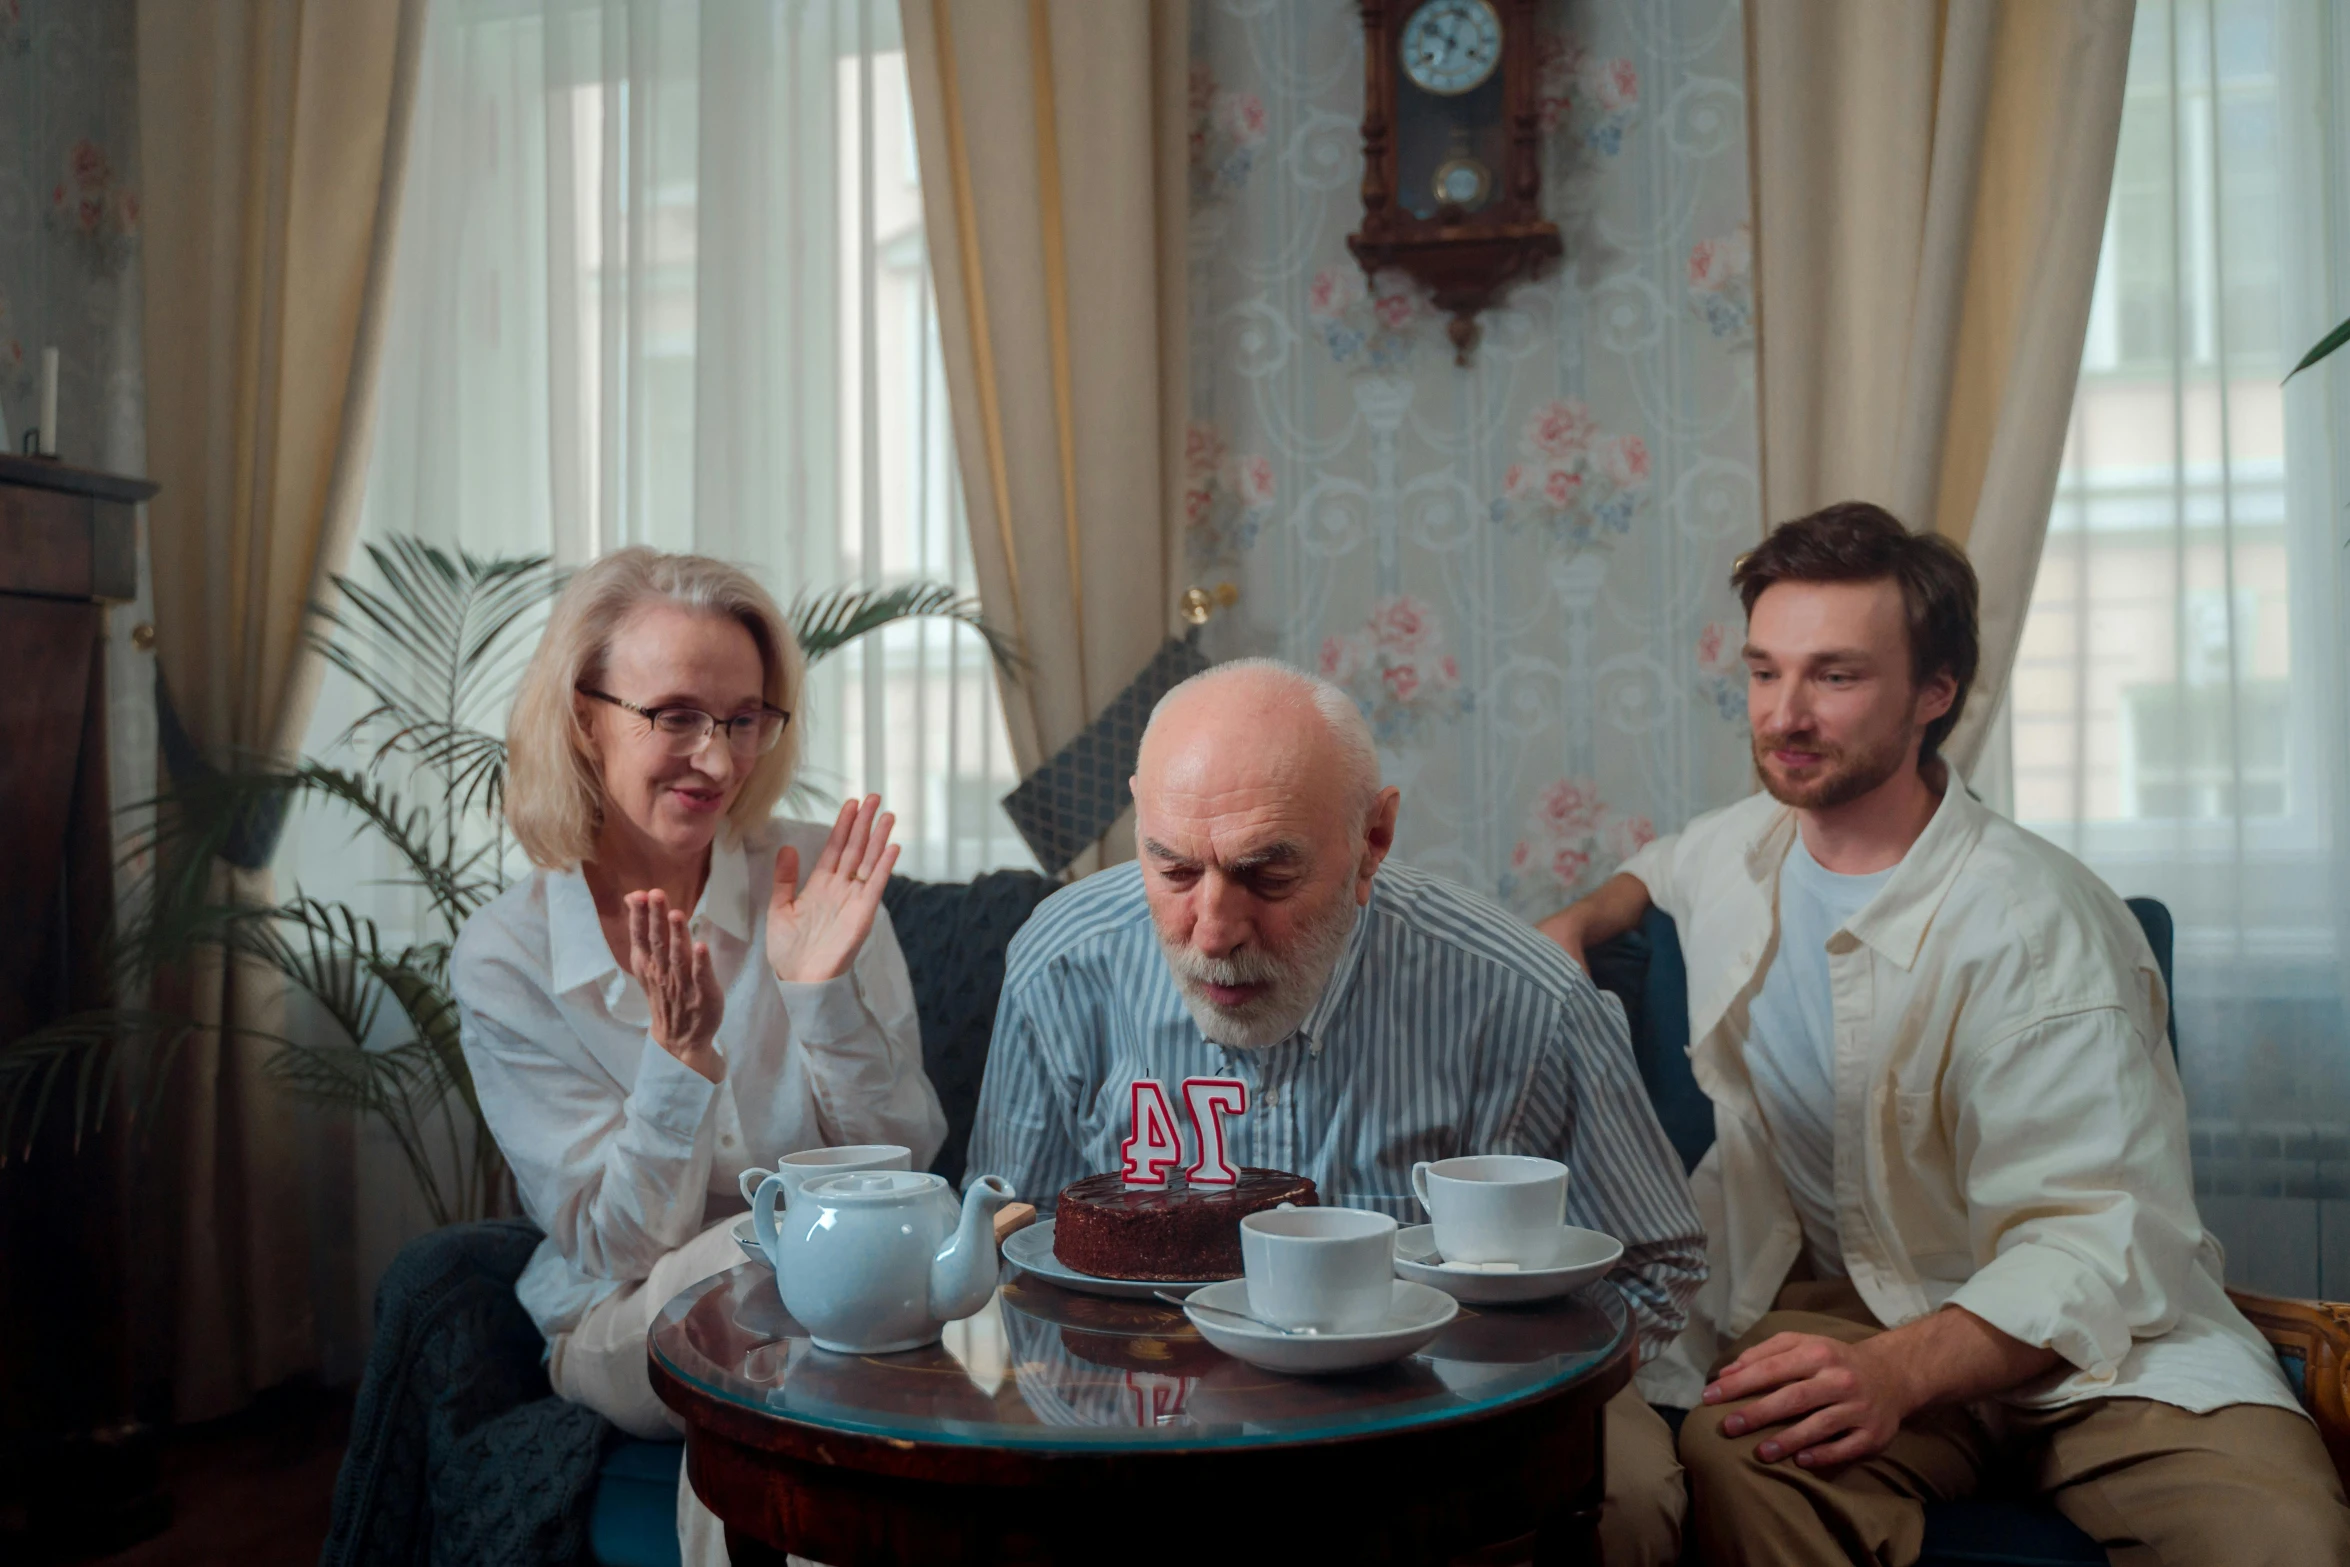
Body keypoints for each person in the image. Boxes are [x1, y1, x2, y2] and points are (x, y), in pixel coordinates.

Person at [1536, 502, 2350, 1565]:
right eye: (1763, 671)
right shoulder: (1742, 850)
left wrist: (1901, 1374)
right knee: (1743, 1449)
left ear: (1934, 692)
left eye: (1834, 676)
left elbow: (2100, 1236)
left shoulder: (2041, 923)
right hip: (1859, 1306)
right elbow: (1662, 865)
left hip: (2100, 1342)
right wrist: (1577, 921)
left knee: (2275, 1542)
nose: (1782, 714)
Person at [967, 658, 1707, 1565]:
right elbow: (1004, 1242)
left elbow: (1658, 1257)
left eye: (1266, 876)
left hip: (1460, 1402)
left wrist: (1479, 1390)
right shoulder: (1060, 964)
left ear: (1374, 840)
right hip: (1146, 1400)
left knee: (1628, 1502)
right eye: (1172, 868)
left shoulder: (1524, 997)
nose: (1212, 929)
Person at [452, 547, 946, 1567]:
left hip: (835, 1304)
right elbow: (618, 1246)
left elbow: (906, 1162)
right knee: (750, 1270)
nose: (718, 760)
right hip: (623, 1317)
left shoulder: (816, 878)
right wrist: (679, 1062)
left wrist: (817, 996)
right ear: (584, 715)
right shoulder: (505, 955)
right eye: (674, 714)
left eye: (743, 718)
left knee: (797, 1326)